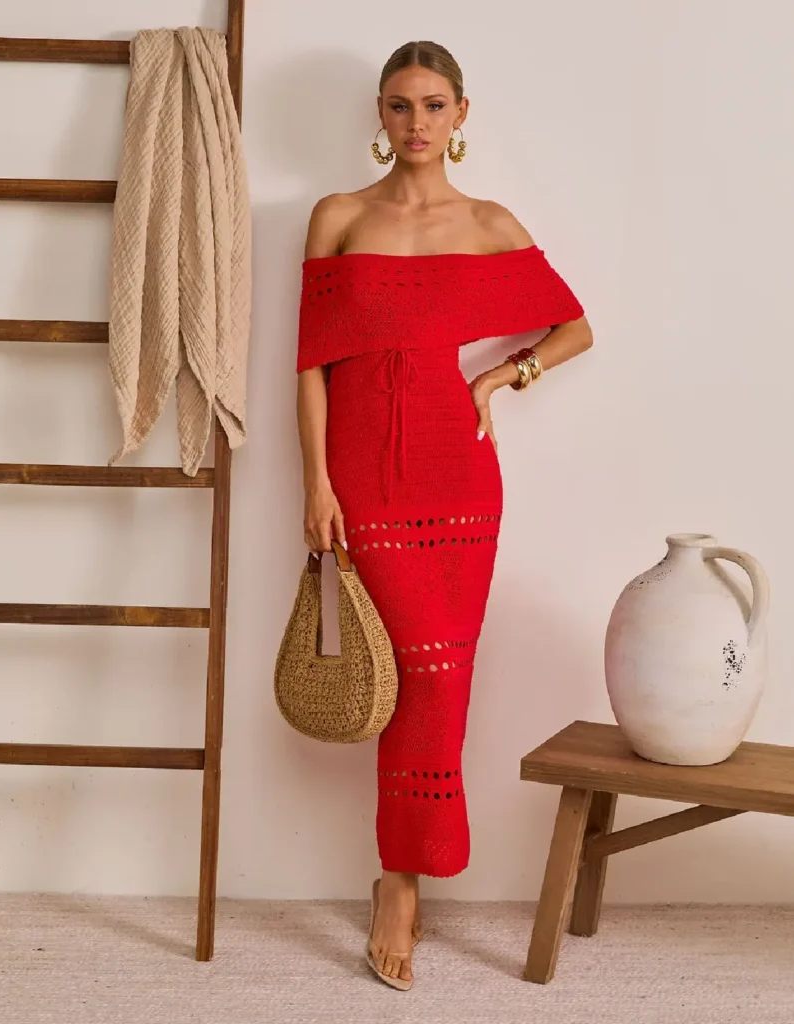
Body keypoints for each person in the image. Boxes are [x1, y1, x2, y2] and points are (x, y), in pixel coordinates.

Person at [295, 40, 592, 991]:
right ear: (377, 119)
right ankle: (400, 876)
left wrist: (501, 375)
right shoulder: (336, 217)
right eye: (397, 106)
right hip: (362, 476)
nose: (414, 123)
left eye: (432, 105)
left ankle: (400, 877)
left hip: (457, 481)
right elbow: (309, 363)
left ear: (461, 114)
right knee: (401, 674)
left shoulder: (486, 222)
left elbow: (574, 325)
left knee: (439, 681)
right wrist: (315, 484)